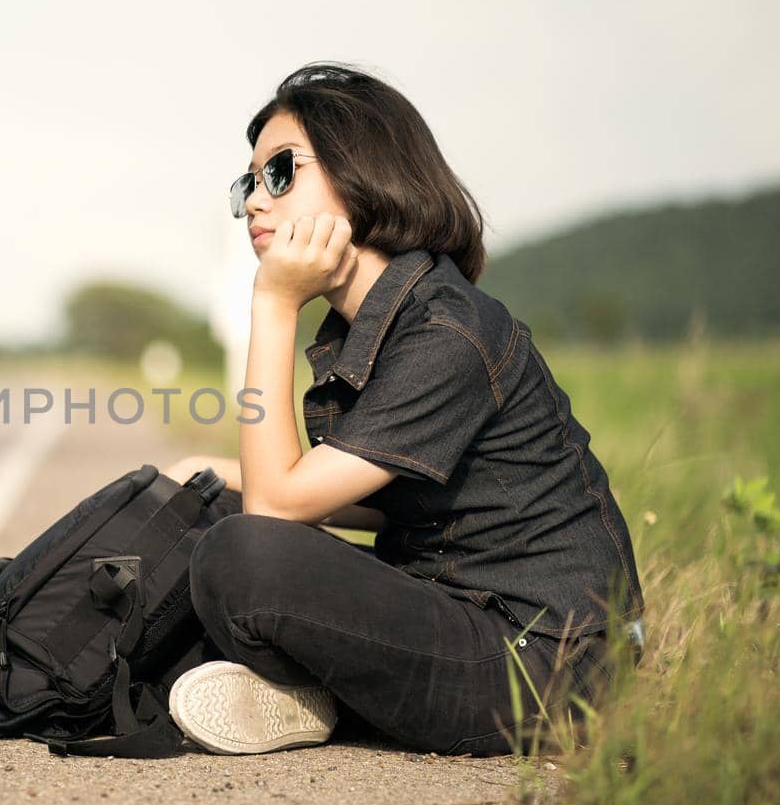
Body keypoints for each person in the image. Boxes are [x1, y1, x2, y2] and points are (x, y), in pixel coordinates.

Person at [160, 62, 645, 758]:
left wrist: (272, 305)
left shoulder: (450, 332)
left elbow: (274, 511)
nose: (255, 205)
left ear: (365, 169)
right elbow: (396, 502)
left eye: (280, 172)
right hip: (466, 614)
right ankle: (307, 689)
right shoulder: (373, 327)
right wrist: (218, 475)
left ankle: (313, 691)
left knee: (245, 550)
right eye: (248, 184)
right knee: (211, 510)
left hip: (551, 664)